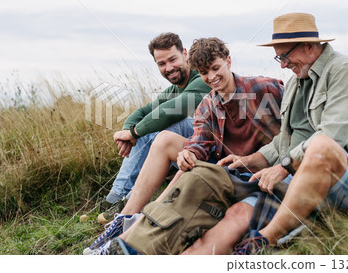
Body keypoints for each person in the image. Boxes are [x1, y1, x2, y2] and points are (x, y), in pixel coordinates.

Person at [185, 12, 348, 255]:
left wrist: (283, 167)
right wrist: (249, 161)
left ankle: (262, 241)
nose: (282, 64)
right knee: (236, 201)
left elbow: (332, 136)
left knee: (321, 145)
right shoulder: (293, 82)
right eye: (278, 57)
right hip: (302, 177)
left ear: (310, 46)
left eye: (285, 56)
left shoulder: (344, 70)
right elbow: (286, 139)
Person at [84, 37, 284, 255]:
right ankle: (127, 222)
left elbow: (299, 119)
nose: (212, 77)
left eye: (216, 68)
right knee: (170, 146)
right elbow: (199, 139)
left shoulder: (264, 88)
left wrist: (282, 157)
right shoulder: (208, 104)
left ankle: (137, 227)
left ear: (228, 61)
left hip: (271, 171)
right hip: (229, 173)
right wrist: (188, 152)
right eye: (205, 73)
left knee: (171, 137)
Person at [97, 32, 211, 225]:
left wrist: (135, 132)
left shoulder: (202, 78)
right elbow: (143, 111)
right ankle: (116, 199)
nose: (169, 68)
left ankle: (123, 201)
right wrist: (128, 131)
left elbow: (175, 109)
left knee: (166, 125)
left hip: (211, 150)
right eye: (161, 64)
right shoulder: (172, 91)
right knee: (149, 126)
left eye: (173, 59)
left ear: (185, 53)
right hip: (187, 151)